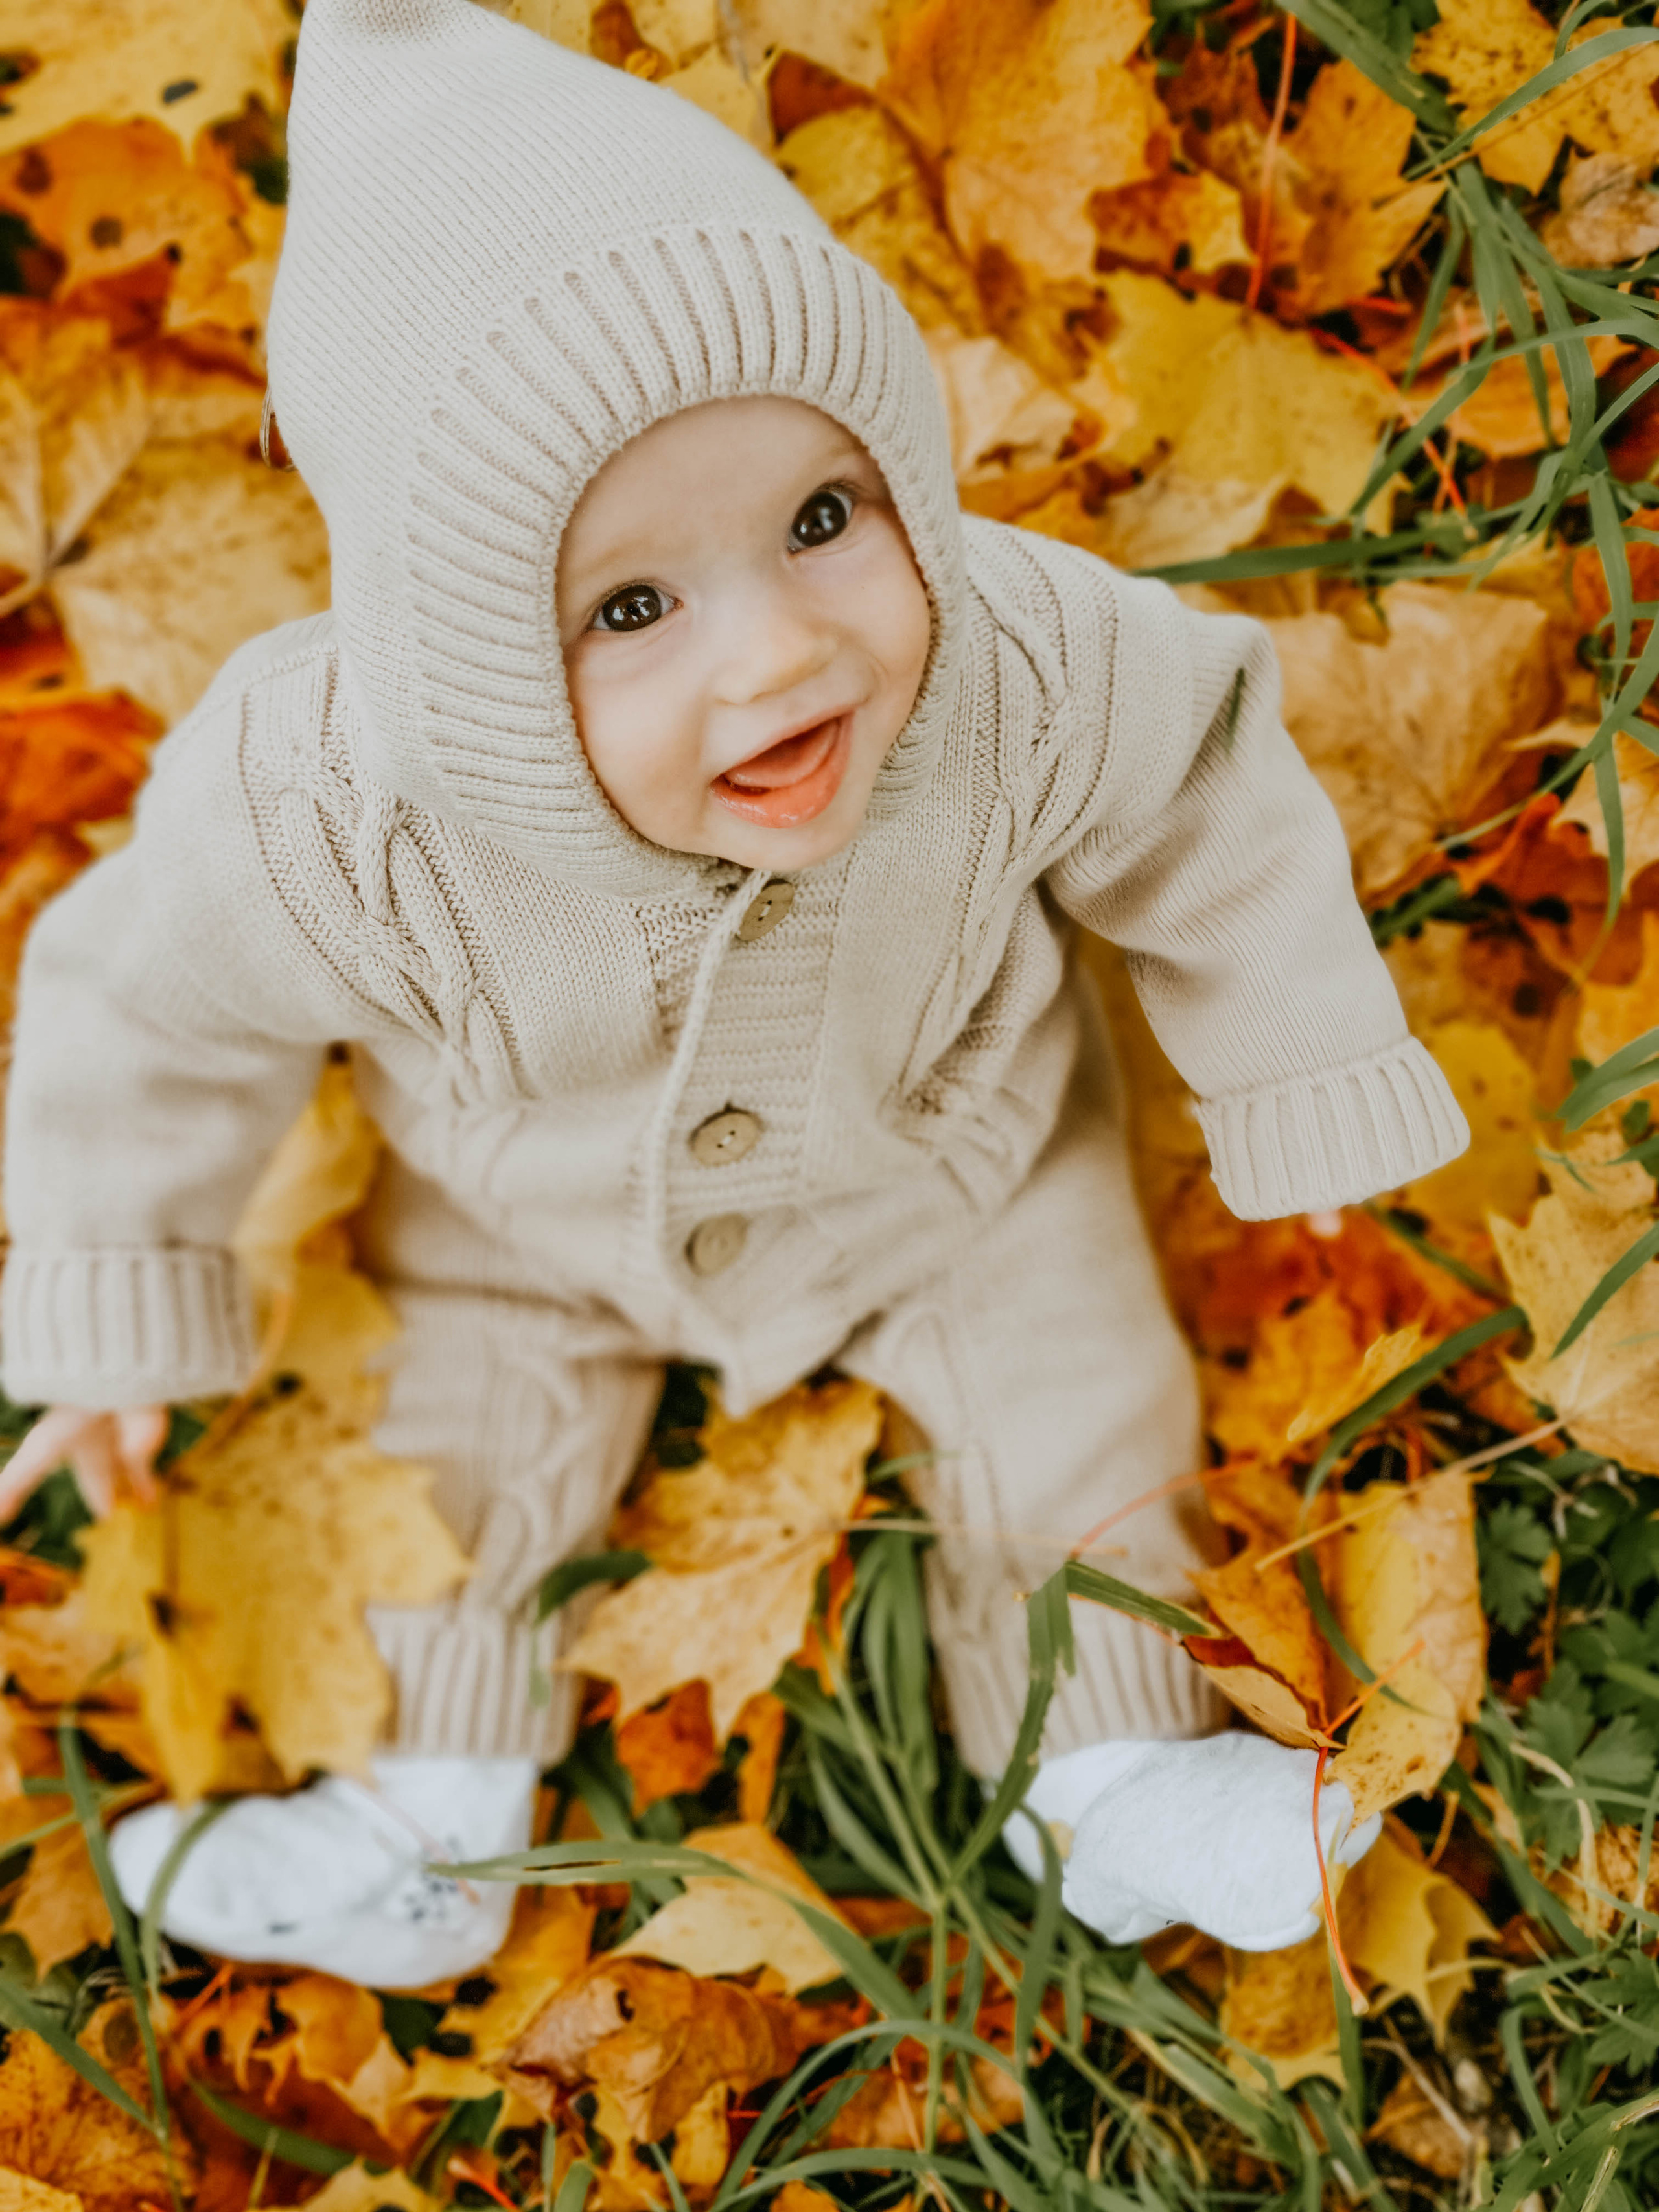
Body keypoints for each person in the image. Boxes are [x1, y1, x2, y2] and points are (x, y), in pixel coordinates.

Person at [0, 0, 1467, 1987]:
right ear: (455, 667)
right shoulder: (334, 811)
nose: (779, 653)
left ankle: (1110, 1771)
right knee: (453, 1446)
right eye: (632, 609)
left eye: (825, 520)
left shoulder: (1014, 662)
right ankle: (425, 1824)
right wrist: (116, 1285)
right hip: (522, 1214)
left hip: (955, 1149)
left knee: (1080, 1387)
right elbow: (148, 1003)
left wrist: (1296, 1055)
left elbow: (1196, 772)